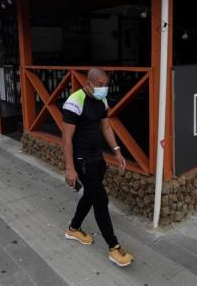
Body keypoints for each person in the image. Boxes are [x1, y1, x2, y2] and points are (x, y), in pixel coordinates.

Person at [62, 68, 134, 267]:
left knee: (91, 195)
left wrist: (117, 151)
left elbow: (106, 127)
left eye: (106, 84)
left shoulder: (101, 101)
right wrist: (70, 168)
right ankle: (114, 247)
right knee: (101, 200)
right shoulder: (74, 102)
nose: (104, 88)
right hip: (81, 160)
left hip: (97, 158)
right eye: (100, 84)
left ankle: (74, 228)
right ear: (89, 82)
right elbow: (66, 139)